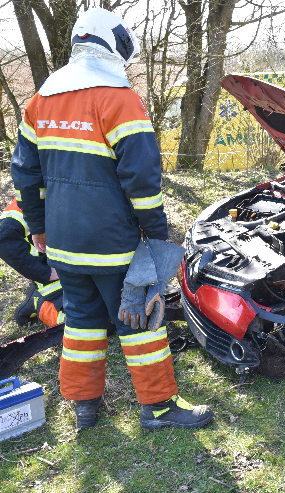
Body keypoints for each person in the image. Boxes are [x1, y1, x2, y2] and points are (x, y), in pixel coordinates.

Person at [10, 7, 212, 430]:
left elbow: (26, 177)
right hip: (113, 244)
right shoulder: (118, 99)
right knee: (140, 320)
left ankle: (85, 407)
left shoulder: (40, 101)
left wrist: (41, 228)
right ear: (114, 45)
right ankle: (158, 408)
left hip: (64, 244)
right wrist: (157, 237)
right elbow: (142, 181)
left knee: (82, 322)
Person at [0, 197, 65, 327]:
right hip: (56, 284)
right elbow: (3, 238)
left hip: (89, 274)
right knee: (88, 325)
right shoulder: (25, 202)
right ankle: (39, 302)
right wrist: (44, 272)